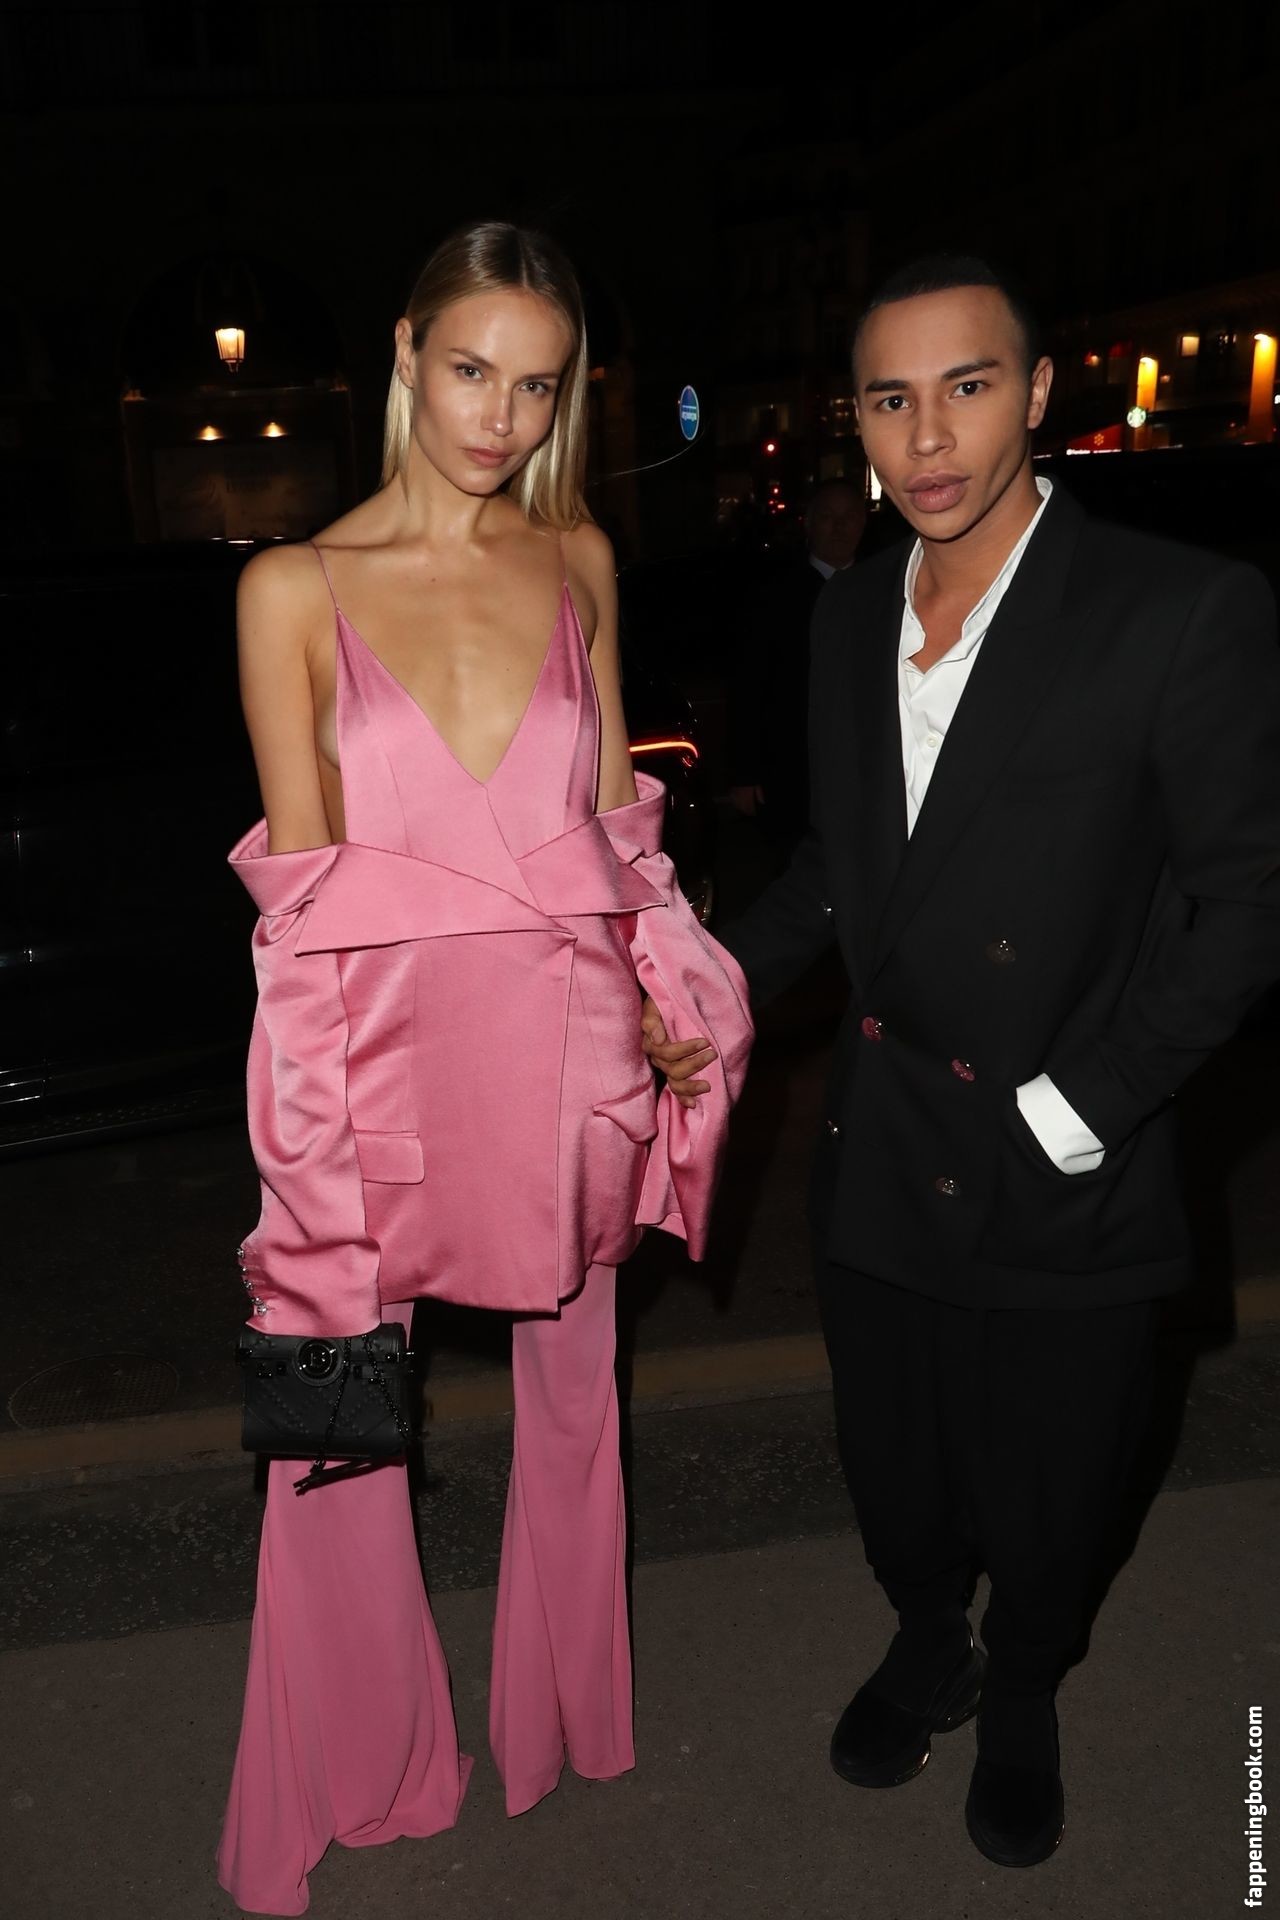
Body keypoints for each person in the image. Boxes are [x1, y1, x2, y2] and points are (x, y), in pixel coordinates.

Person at [646, 254, 1280, 1869]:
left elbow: (1247, 902)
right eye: (890, 398)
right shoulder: (848, 613)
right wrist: (700, 986)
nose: (928, 438)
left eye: (968, 387)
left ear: (1040, 393)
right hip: (883, 1144)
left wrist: (1088, 1105)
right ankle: (932, 1639)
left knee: (1053, 1488)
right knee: (899, 1470)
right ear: (854, 419)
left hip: (1065, 1150)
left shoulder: (1175, 609)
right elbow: (844, 874)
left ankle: (1025, 1690)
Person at [218, 220, 752, 1917]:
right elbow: (301, 910)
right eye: (469, 371)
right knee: (337, 1424)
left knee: (576, 1396)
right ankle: (366, 1759)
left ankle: (563, 1720)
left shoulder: (578, 556)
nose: (498, 418)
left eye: (535, 385)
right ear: (405, 352)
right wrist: (302, 1157)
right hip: (379, 1064)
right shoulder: (290, 588)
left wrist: (668, 991)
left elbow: (614, 837)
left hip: (570, 1046)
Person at [728, 478, 866, 847]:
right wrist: (744, 773)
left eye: (849, 517)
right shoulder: (773, 594)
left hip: (864, 767)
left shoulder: (884, 589)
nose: (839, 527)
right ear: (809, 522)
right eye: (828, 517)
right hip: (791, 767)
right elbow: (748, 684)